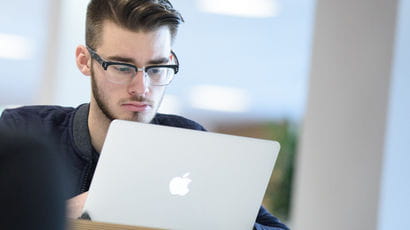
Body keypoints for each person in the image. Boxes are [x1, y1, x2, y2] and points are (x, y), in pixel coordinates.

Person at [0, 0, 289, 229]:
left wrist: (209, 218)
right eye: (123, 67)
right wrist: (64, 213)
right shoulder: (26, 131)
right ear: (84, 61)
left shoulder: (190, 142)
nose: (142, 88)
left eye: (156, 67)